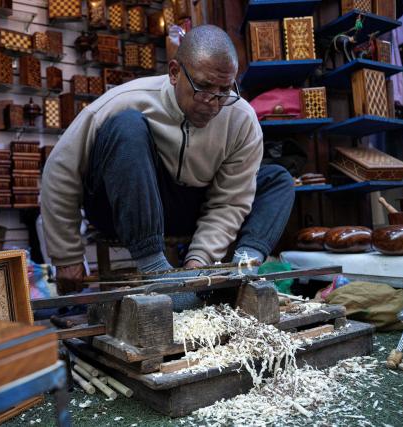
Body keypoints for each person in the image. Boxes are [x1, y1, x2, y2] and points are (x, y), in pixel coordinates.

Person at [41, 25, 294, 295]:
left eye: (224, 90)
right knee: (127, 126)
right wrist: (66, 255)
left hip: (189, 207)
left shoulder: (241, 118)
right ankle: (155, 271)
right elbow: (60, 171)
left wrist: (199, 263)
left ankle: (243, 273)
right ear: (174, 73)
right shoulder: (123, 101)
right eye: (204, 87)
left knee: (278, 179)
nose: (213, 103)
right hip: (121, 207)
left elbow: (230, 201)